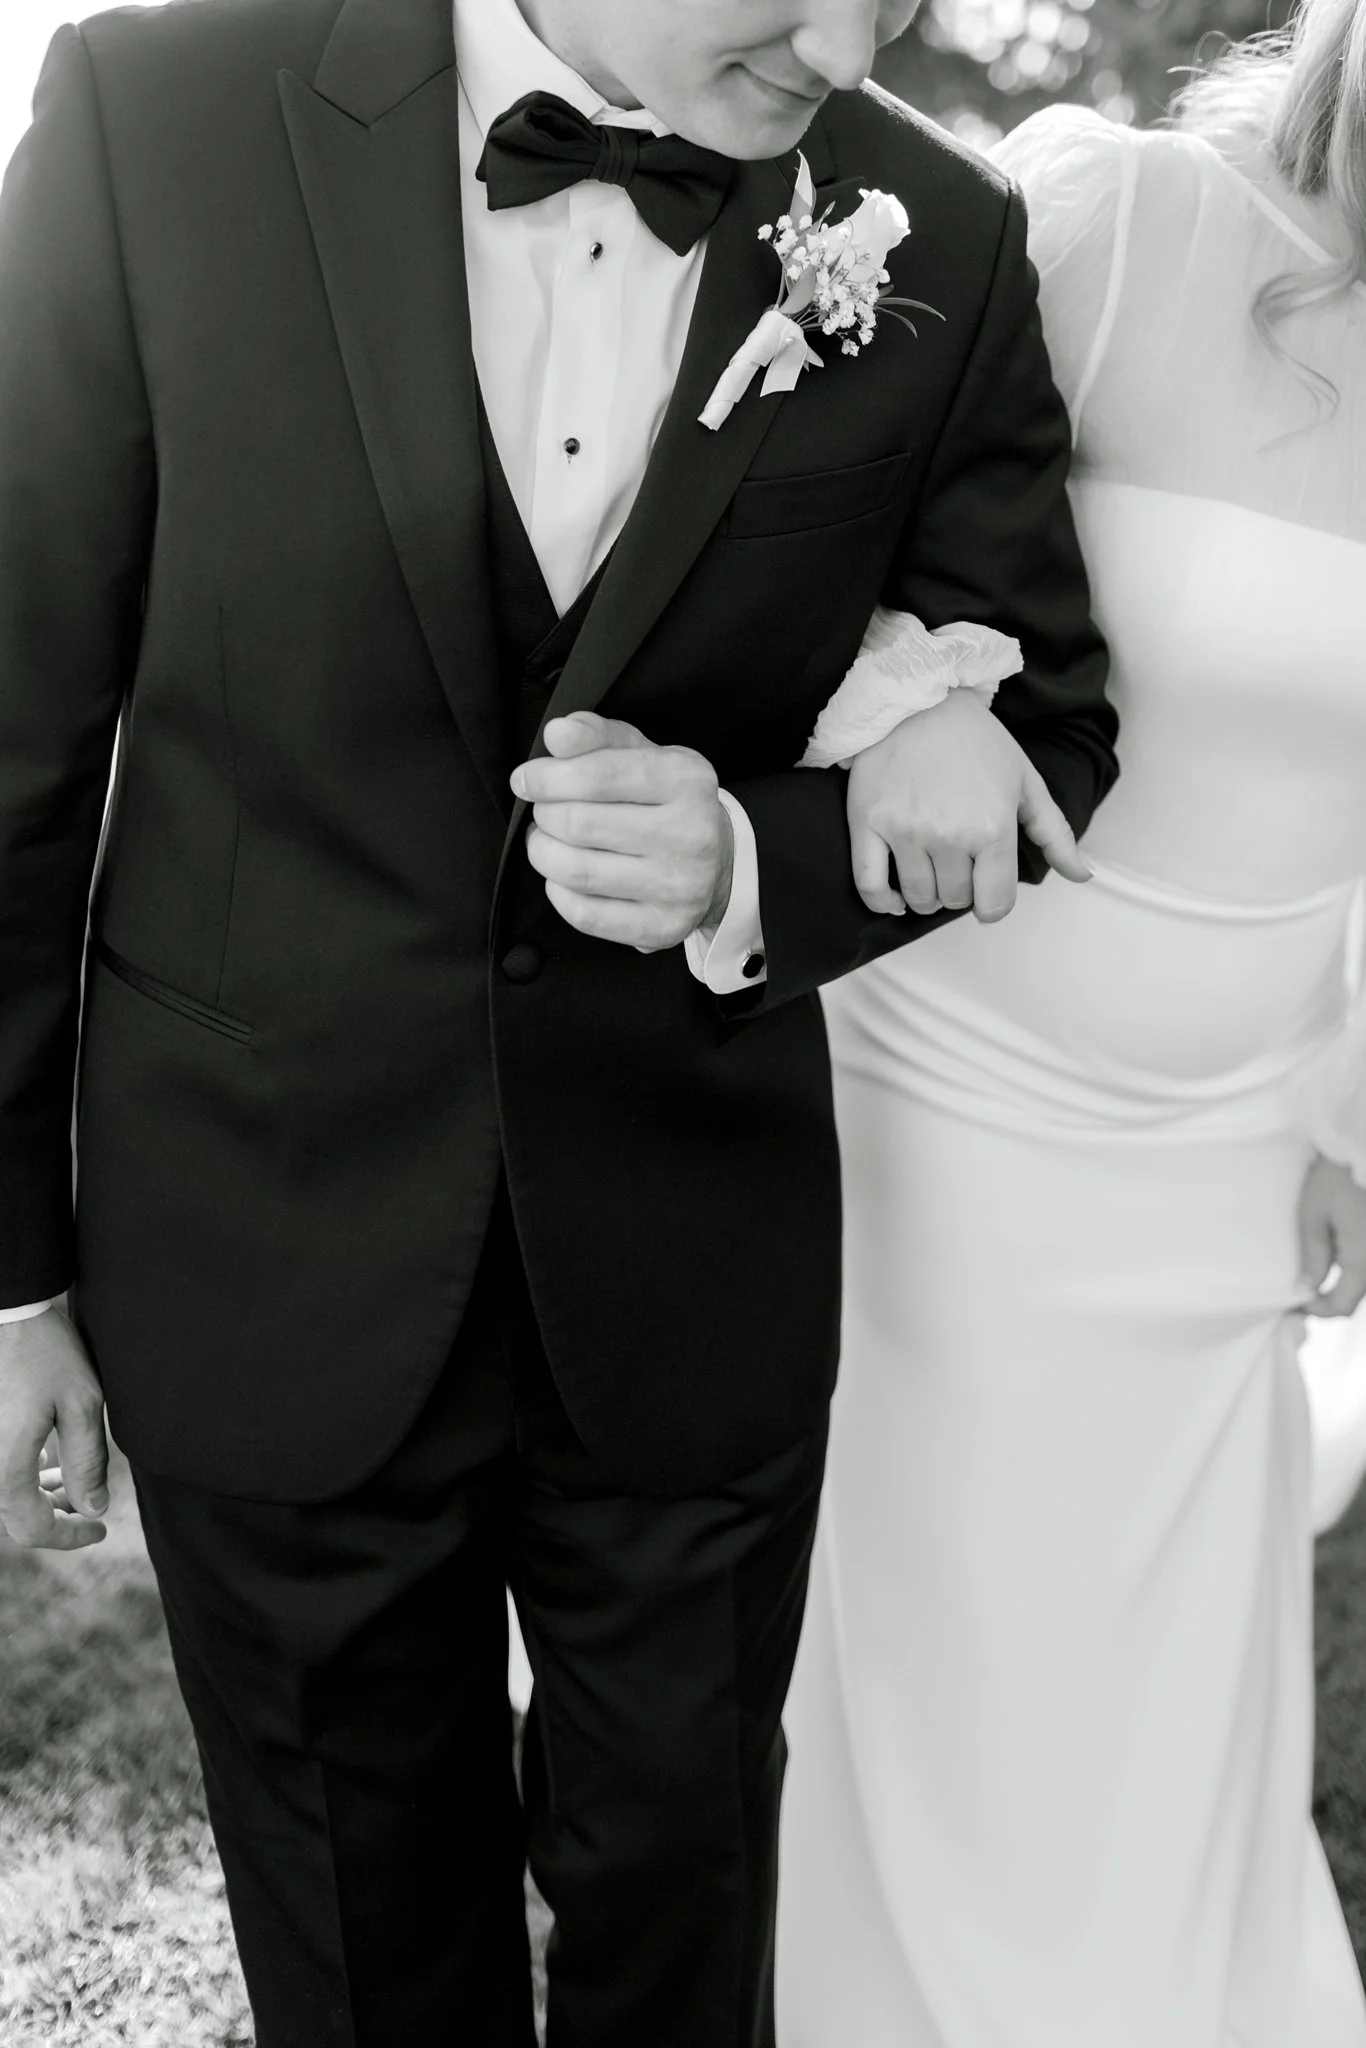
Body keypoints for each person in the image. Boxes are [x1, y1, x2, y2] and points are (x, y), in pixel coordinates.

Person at [0, 0, 1116, 2042]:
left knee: (681, 1930)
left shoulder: (931, 232)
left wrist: (748, 861)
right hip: (261, 1240)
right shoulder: (149, 116)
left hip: (688, 1265)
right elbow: (13, 731)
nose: (844, 41)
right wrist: (8, 1283)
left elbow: (1039, 719)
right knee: (357, 1944)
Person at [777, 1, 1366, 2042]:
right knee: (941, 1649)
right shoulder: (1113, 220)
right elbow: (813, 510)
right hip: (940, 1086)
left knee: (1161, 1688)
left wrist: (1347, 1118)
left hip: (1226, 1143)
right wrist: (918, 698)